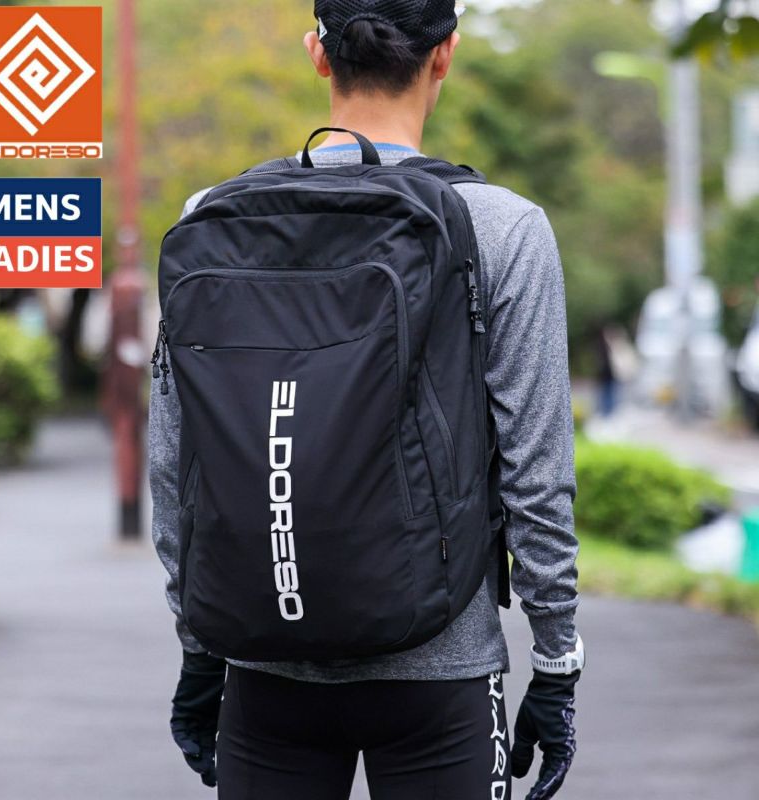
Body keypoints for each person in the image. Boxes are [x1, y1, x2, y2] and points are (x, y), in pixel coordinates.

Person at [149, 2, 583, 798]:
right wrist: (556, 661)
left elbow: (176, 462)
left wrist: (199, 646)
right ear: (445, 55)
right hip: (441, 670)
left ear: (318, 53)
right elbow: (537, 471)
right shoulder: (503, 227)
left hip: (263, 662)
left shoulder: (211, 217)